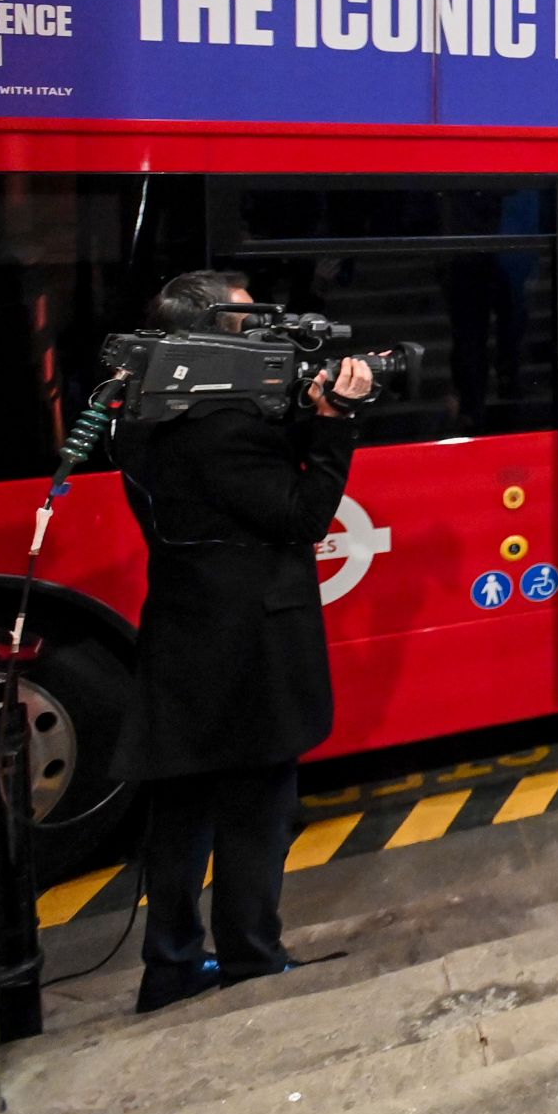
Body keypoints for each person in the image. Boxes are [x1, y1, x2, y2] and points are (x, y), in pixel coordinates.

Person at [108, 271, 372, 1013]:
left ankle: (170, 965)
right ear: (210, 337)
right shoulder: (223, 431)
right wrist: (335, 424)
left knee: (182, 809)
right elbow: (303, 512)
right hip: (252, 639)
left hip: (181, 628)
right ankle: (253, 956)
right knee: (257, 807)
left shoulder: (148, 414)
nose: (262, 335)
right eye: (247, 324)